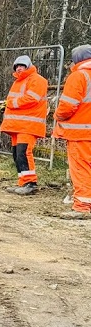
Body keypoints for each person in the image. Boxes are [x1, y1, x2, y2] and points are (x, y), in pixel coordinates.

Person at [0, 55, 49, 195]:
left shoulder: (38, 80)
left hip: (29, 125)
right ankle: (23, 182)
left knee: (24, 152)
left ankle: (30, 183)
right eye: (17, 66)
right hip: (18, 125)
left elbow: (31, 99)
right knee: (17, 154)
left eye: (22, 65)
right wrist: (7, 106)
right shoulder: (18, 82)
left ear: (28, 66)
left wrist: (9, 104)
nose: (19, 68)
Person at [53, 44, 91, 213]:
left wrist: (57, 116)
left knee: (81, 167)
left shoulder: (79, 76)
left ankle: (82, 205)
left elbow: (67, 107)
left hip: (81, 133)